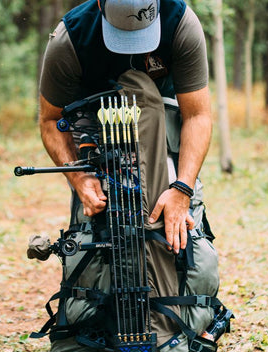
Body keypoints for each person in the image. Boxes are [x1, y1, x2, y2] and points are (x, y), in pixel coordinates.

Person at [38, 0, 212, 255]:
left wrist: (183, 188)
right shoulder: (70, 38)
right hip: (94, 130)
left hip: (163, 131)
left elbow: (197, 115)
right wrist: (79, 178)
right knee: (98, 231)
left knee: (174, 219)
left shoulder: (180, 24)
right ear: (100, 4)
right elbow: (50, 120)